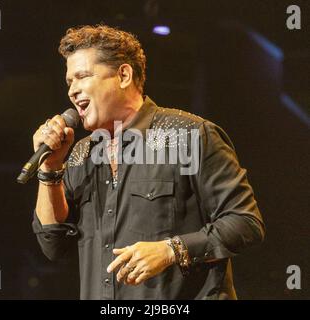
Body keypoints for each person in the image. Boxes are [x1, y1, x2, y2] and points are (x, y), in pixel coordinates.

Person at [32, 24, 265, 300]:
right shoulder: (82, 154)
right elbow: (53, 244)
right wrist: (50, 169)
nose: (72, 90)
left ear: (123, 75)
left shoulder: (188, 136)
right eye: (69, 82)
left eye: (82, 77)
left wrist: (171, 250)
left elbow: (245, 223)